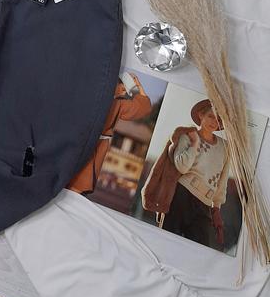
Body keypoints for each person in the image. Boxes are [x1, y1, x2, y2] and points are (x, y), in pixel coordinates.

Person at [67, 72, 152, 193]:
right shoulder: (117, 104)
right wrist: (138, 87)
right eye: (123, 89)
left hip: (78, 139)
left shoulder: (96, 93)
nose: (124, 94)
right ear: (116, 84)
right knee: (79, 183)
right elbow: (145, 107)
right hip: (94, 145)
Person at [163, 99, 228, 247]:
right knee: (167, 242)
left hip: (205, 205)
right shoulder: (186, 137)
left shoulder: (225, 147)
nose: (214, 122)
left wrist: (216, 208)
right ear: (200, 115)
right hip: (181, 197)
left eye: (218, 119)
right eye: (211, 116)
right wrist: (195, 143)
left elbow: (222, 180)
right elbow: (182, 167)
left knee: (199, 249)